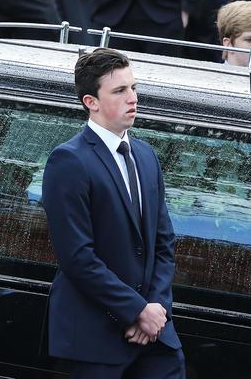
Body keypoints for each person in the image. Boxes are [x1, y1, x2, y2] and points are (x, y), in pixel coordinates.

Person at [41, 48, 183, 379]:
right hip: (94, 336)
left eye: (133, 88)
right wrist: (135, 310)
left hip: (155, 336)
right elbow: (77, 257)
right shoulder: (69, 161)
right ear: (91, 101)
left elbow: (164, 242)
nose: (132, 98)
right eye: (119, 91)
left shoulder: (146, 155)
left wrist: (155, 310)